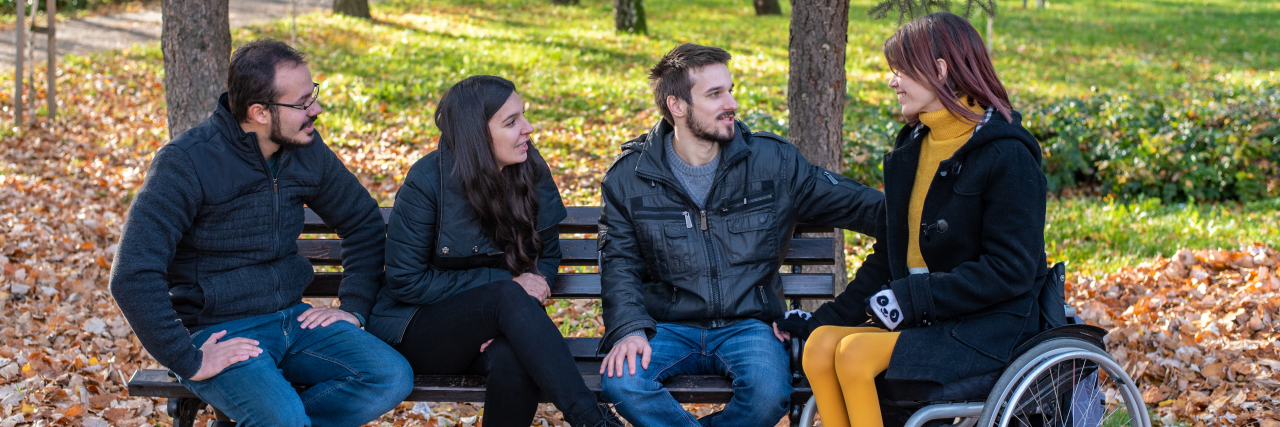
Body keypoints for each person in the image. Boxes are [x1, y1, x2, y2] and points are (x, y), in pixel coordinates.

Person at [109, 38, 413, 426]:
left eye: (313, 95)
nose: (316, 109)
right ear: (259, 112)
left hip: (294, 321)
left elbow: (364, 223)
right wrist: (190, 358)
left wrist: (353, 308)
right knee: (283, 420)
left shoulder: (305, 150)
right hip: (218, 333)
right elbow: (133, 273)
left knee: (389, 377)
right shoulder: (187, 163)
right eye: (302, 103)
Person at [771, 12, 1051, 427]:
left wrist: (913, 298)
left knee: (853, 355)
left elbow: (1011, 270)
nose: (892, 81)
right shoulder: (913, 148)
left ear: (939, 70)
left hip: (992, 326)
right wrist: (819, 321)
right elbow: (888, 257)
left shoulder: (1006, 154)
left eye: (900, 70)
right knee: (820, 346)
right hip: (929, 320)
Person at [596, 43, 886, 427]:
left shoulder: (773, 163)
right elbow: (619, 263)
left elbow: (867, 209)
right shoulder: (629, 177)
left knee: (768, 396)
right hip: (666, 324)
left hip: (749, 324)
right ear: (677, 106)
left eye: (730, 90)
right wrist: (630, 329)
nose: (731, 102)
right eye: (715, 94)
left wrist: (931, 219)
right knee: (624, 382)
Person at [364, 75, 623, 427]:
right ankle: (592, 420)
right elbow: (406, 281)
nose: (528, 129)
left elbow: (545, 256)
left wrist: (511, 317)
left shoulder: (530, 168)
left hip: (501, 321)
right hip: (420, 329)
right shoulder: (427, 181)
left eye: (524, 116)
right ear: (477, 134)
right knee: (505, 293)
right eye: (512, 122)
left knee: (515, 359)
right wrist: (504, 290)